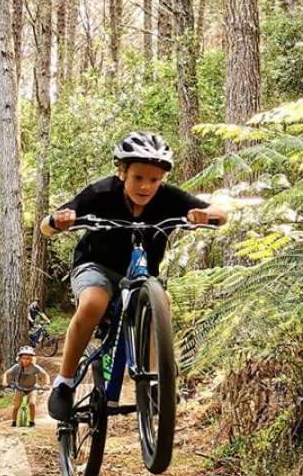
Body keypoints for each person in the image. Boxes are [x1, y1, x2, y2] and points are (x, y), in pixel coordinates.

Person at [40, 130, 227, 422]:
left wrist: (203, 215)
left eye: (154, 179)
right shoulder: (101, 193)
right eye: (138, 177)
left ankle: (155, 381)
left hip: (142, 278)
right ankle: (63, 383)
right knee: (93, 303)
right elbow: (47, 225)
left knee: (159, 303)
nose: (146, 186)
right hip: (97, 267)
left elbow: (220, 213)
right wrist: (58, 220)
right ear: (123, 172)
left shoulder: (168, 198)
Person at [1, 346, 50, 426]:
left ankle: (32, 422)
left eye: (28, 358)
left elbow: (45, 374)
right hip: (20, 388)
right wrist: (4, 382)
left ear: (31, 359)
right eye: (23, 358)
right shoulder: (17, 367)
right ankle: (14, 422)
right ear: (20, 358)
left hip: (32, 388)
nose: (25, 360)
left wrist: (46, 384)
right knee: (16, 406)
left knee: (32, 404)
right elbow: (6, 373)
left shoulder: (34, 367)